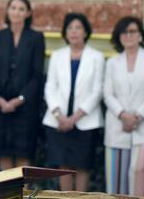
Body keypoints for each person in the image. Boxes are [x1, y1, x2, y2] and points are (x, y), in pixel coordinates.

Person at [43, 13, 104, 191]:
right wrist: (60, 116)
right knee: (63, 167)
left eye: (78, 28)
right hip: (58, 121)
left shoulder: (96, 57)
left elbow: (97, 91)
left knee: (83, 167)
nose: (73, 32)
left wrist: (74, 118)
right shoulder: (57, 55)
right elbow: (50, 87)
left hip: (85, 121)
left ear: (86, 32)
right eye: (70, 28)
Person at [103, 16, 144, 197]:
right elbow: (107, 94)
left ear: (140, 35)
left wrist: (137, 116)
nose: (128, 35)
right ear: (118, 37)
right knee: (116, 179)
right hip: (117, 125)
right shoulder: (112, 62)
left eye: (133, 31)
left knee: (140, 171)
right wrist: (123, 115)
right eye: (124, 32)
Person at [0, 0, 45, 170]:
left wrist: (19, 100)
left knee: (23, 156)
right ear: (7, 10)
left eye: (21, 9)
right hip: (1, 107)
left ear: (28, 13)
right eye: (13, 8)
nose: (16, 12)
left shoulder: (35, 38)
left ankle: (23, 195)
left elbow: (37, 75)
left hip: (24, 109)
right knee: (3, 155)